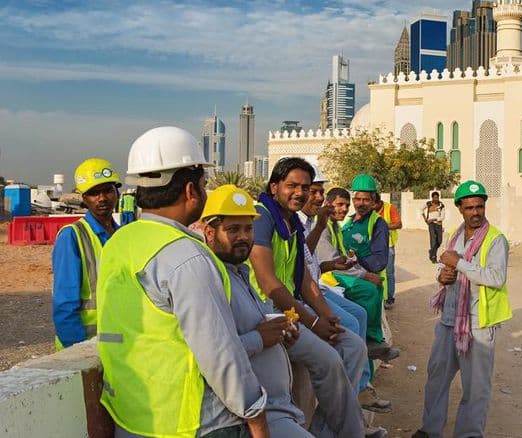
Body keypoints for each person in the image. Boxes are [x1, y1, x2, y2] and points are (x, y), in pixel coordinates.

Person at [97, 126, 270, 438]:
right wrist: (255, 414)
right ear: (191, 191)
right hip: (195, 423)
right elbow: (219, 353)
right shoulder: (186, 256)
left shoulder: (119, 242)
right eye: (204, 185)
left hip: (132, 417)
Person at [248, 157, 376, 438]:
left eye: (305, 187)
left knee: (352, 345)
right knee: (328, 360)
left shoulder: (290, 221)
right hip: (267, 317)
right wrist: (314, 321)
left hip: (290, 311)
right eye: (292, 185)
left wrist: (326, 316)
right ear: (274, 187)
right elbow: (268, 281)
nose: (300, 192)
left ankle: (327, 430)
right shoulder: (263, 217)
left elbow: (304, 277)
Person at [201, 184, 313, 437]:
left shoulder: (241, 272)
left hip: (277, 407)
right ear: (209, 232)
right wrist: (260, 338)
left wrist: (282, 337)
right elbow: (211, 355)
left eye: (248, 228)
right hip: (252, 415)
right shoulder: (211, 280)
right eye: (233, 229)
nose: (243, 236)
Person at [413, 180, 512, 438]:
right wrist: (442, 276)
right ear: (459, 208)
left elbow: (495, 277)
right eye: (469, 208)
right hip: (449, 319)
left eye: (480, 207)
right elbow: (445, 266)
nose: (476, 212)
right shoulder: (454, 236)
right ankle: (430, 430)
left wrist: (459, 264)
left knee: (475, 389)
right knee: (436, 379)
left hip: (478, 323)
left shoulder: (496, 240)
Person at [297, 165, 392, 415]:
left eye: (362, 200)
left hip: (323, 282)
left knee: (360, 314)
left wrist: (335, 264)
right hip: (314, 288)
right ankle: (346, 399)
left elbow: (312, 261)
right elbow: (301, 268)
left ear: (374, 201)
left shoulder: (372, 223)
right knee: (349, 320)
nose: (356, 205)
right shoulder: (307, 222)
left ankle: (360, 386)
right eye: (312, 192)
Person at [320, 177, 398, 361]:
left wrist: (360, 265)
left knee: (367, 307)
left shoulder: (377, 223)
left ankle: (372, 349)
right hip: (340, 277)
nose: (359, 204)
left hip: (362, 278)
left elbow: (379, 262)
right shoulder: (343, 223)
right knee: (359, 320)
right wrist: (360, 270)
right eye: (357, 199)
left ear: (374, 201)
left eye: (366, 200)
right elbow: (334, 257)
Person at [52, 158, 121, 350]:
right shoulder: (72, 237)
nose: (102, 198)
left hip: (118, 347)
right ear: (84, 198)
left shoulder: (122, 235)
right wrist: (80, 355)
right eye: (93, 193)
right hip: (83, 345)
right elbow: (65, 306)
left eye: (108, 190)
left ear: (117, 192)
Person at [374, 192, 402, 309]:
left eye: (373, 204)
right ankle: (378, 297)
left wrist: (383, 226)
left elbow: (399, 224)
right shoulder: (369, 209)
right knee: (376, 272)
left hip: (388, 245)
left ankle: (390, 298)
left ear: (378, 202)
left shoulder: (390, 208)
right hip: (374, 245)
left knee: (389, 273)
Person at [422, 191, 445, 263]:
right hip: (431, 225)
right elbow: (421, 209)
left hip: (438, 224)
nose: (436, 199)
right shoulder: (428, 204)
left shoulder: (441, 205)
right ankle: (434, 257)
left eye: (437, 197)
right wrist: (425, 219)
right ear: (432, 198)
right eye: (434, 197)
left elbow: (442, 217)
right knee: (433, 240)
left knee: (439, 241)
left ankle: (431, 251)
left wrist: (434, 219)